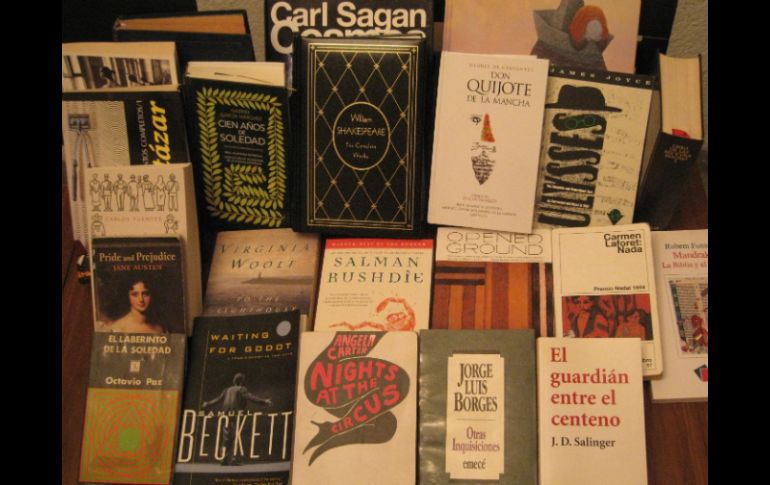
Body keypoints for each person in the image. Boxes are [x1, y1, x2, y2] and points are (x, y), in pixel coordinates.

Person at [202, 373, 272, 465]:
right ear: (242, 381)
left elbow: (218, 399)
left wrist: (207, 403)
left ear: (234, 381)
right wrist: (264, 401)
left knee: (226, 438)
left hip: (225, 415)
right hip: (236, 415)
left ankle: (224, 459)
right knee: (234, 437)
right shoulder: (242, 389)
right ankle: (232, 459)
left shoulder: (226, 390)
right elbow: (251, 397)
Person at [98, 276, 165, 334]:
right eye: (135, 294)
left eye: (145, 294)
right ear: (127, 296)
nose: (141, 299)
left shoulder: (159, 328)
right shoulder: (118, 328)